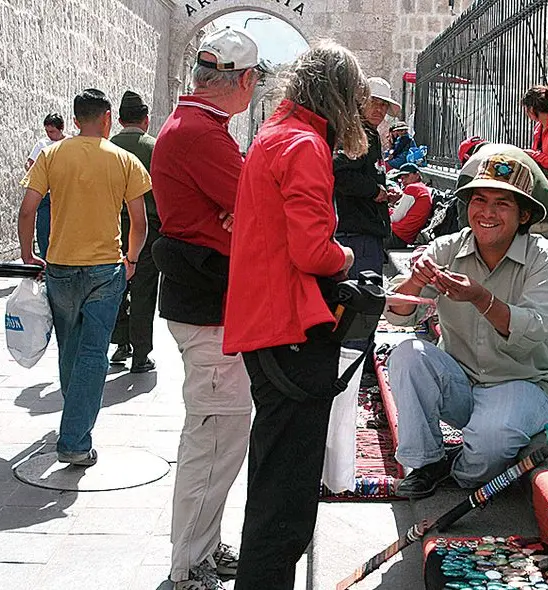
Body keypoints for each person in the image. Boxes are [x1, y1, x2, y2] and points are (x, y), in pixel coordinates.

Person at [222, 41, 368, 590]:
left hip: (268, 325)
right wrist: (345, 256)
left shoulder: (274, 134)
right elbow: (312, 251)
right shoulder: (304, 144)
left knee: (273, 478)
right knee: (286, 493)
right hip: (291, 331)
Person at [150, 26, 270, 590]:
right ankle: (189, 565)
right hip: (209, 305)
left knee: (219, 436)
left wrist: (242, 212)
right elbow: (264, 207)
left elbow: (249, 207)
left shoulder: (195, 127)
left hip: (205, 297)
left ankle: (202, 546)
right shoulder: (202, 134)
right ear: (244, 81)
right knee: (215, 438)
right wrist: (245, 212)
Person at [384, 153, 548, 499]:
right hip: (463, 385)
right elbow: (398, 313)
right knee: (408, 355)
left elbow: (534, 331)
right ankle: (426, 462)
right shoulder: (447, 248)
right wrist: (415, 280)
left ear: (523, 215)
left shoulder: (546, 259)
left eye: (502, 204)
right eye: (479, 201)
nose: (487, 213)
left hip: (522, 385)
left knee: (488, 447)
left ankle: (458, 468)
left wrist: (482, 298)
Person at [18, 88, 150, 467]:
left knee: (70, 347)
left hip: (60, 266)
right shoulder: (124, 160)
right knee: (93, 352)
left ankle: (73, 418)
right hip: (106, 268)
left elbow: (27, 210)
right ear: (108, 118)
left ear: (75, 120)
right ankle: (75, 438)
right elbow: (138, 221)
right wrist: (132, 259)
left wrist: (28, 254)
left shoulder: (51, 155)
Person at [332, 75, 397, 387]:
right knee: (363, 302)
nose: (380, 110)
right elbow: (340, 175)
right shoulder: (357, 133)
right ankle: (354, 365)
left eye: (384, 105)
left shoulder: (364, 133)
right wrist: (376, 192)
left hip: (363, 230)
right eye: (375, 103)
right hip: (357, 233)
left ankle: (357, 361)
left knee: (364, 301)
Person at [108, 91, 160, 373]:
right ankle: (141, 354)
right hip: (148, 228)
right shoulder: (154, 148)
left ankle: (120, 342)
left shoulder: (108, 148)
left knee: (117, 284)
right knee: (144, 290)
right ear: (146, 120)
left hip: (114, 227)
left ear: (119, 120)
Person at [457, 136, 548, 239]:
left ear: (466, 157)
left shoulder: (472, 164)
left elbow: (464, 219)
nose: (488, 213)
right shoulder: (511, 150)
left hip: (534, 225)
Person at [25, 113, 68, 258]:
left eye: (52, 131)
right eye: (47, 131)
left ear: (61, 129)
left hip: (64, 193)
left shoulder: (70, 143)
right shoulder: (42, 144)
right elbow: (29, 163)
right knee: (43, 227)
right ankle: (44, 257)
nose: (49, 135)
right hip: (45, 194)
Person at [386, 162, 433, 249]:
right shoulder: (422, 188)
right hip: (404, 237)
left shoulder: (413, 188)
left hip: (397, 235)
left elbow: (396, 217)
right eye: (401, 178)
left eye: (406, 176)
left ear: (417, 175)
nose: (403, 180)